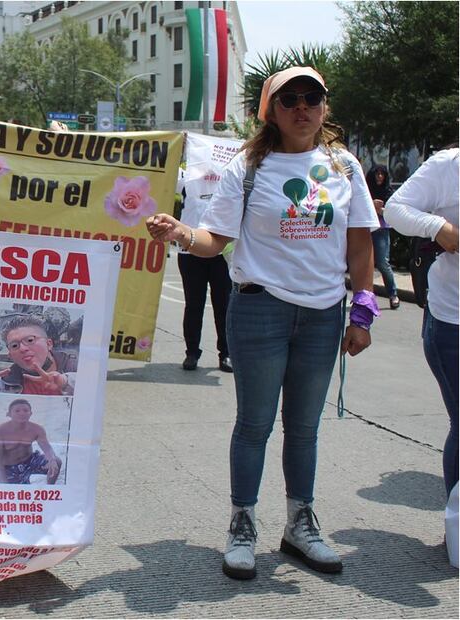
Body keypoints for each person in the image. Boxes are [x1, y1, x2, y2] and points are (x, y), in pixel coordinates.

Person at [146, 66, 379, 580]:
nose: (302, 108)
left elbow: (360, 245)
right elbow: (215, 239)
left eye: (311, 98)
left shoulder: (344, 167)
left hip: (322, 315)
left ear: (325, 107)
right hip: (260, 310)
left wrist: (362, 312)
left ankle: (301, 525)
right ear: (269, 111)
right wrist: (183, 233)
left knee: (304, 429)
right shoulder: (249, 168)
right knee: (254, 426)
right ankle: (242, 526)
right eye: (289, 99)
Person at [384, 147, 459, 500]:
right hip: (453, 321)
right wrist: (437, 227)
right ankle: (457, 526)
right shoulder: (448, 167)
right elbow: (395, 209)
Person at [177, 161, 233, 373]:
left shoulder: (230, 174)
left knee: (224, 304)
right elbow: (166, 173)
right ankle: (191, 352)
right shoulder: (185, 177)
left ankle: (226, 353)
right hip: (189, 249)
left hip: (222, 250)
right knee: (193, 304)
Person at [0, 315, 75, 395]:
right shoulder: (3, 385)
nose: (23, 348)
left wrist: (65, 382)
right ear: (10, 355)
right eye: (15, 345)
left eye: (30, 340)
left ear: (49, 344)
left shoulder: (79, 370)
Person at [0, 399, 62, 484]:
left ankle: (49, 489)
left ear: (30, 413)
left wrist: (52, 460)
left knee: (57, 462)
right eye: (17, 411)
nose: (22, 413)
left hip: (30, 460)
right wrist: (2, 478)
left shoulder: (37, 429)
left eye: (25, 410)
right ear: (9, 414)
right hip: (11, 467)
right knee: (21, 494)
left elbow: (46, 447)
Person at [366, 163, 400, 309]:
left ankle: (393, 295)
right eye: (377, 173)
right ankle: (365, 298)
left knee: (382, 263)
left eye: (382, 174)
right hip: (365, 229)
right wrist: (370, 204)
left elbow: (392, 213)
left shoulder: (388, 192)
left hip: (380, 229)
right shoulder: (365, 191)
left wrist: (379, 210)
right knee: (364, 263)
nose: (379, 176)